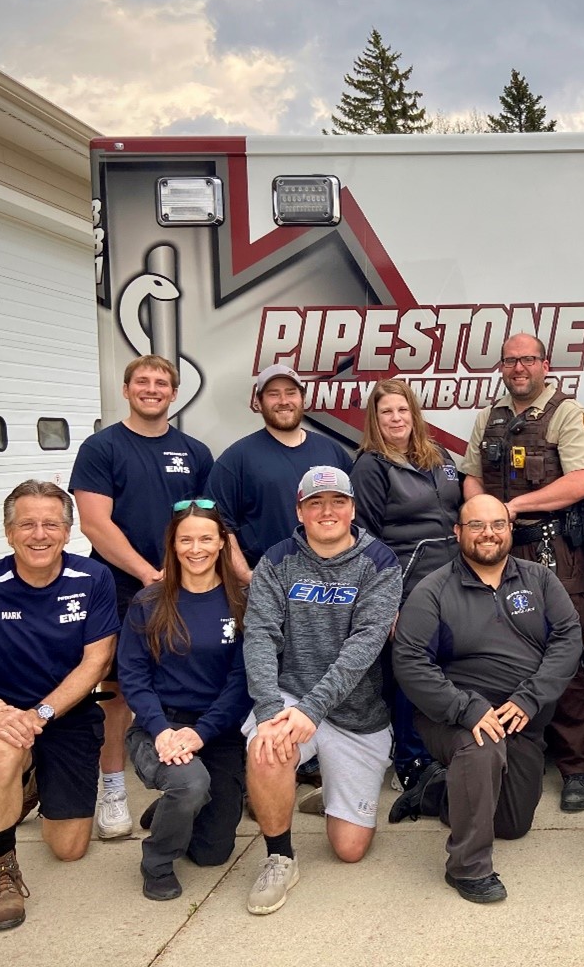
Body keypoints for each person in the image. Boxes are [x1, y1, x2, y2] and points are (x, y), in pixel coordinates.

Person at [0, 480, 118, 931]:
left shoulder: (93, 579)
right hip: (4, 715)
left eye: (51, 524)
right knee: (0, 754)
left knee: (69, 848)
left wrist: (42, 715)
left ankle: (28, 783)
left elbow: (97, 660)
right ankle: (1, 871)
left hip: (67, 716)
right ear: (9, 532)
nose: (40, 534)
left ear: (68, 530)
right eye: (27, 524)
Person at [392, 495, 584, 903]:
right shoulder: (433, 590)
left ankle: (436, 792)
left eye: (498, 524)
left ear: (510, 530)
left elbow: (568, 638)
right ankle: (467, 868)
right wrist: (467, 708)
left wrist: (531, 699)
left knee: (513, 824)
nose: (488, 534)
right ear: (457, 533)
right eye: (476, 525)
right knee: (481, 749)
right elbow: (409, 661)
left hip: (520, 717)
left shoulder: (539, 579)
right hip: (454, 716)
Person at [240, 466, 401, 915]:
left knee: (349, 849)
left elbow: (365, 644)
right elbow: (259, 636)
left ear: (352, 508)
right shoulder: (277, 560)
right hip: (292, 696)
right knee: (267, 747)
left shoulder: (380, 563)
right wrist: (272, 710)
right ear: (300, 510)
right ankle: (280, 857)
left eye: (337, 502)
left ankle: (329, 794)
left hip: (355, 711)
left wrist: (313, 708)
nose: (327, 511)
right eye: (316, 503)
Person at [70, 354, 214, 841]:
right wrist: (150, 574)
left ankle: (178, 777)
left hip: (184, 584)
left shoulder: (194, 452)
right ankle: (112, 788)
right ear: (127, 388)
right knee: (115, 694)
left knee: (177, 680)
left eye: (161, 383)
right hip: (121, 585)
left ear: (174, 394)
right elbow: (94, 522)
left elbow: (206, 522)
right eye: (142, 381)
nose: (152, 389)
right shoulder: (101, 447)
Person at [459, 333, 584, 812]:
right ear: (501, 367)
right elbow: (471, 473)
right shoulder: (489, 416)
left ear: (545, 365)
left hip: (551, 549)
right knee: (498, 649)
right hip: (494, 549)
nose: (519, 368)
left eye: (528, 360)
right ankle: (516, 754)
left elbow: (583, 481)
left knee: (565, 655)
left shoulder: (567, 413)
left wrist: (513, 506)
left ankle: (576, 769)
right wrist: (483, 513)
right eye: (510, 360)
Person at [116, 500, 251, 901]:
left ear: (223, 544)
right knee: (192, 783)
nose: (197, 549)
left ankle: (170, 812)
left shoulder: (241, 600)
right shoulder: (149, 603)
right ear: (173, 546)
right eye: (186, 539)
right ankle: (156, 860)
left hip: (218, 730)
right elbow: (134, 677)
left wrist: (202, 732)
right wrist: (161, 731)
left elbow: (241, 682)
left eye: (207, 539)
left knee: (213, 854)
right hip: (161, 727)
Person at [349, 378, 462, 810]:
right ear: (375, 421)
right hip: (406, 585)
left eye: (402, 410)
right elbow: (368, 539)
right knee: (410, 676)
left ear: (414, 414)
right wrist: (388, 604)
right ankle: (410, 763)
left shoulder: (440, 458)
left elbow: (455, 512)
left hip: (451, 581)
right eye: (386, 413)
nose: (396, 419)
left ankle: (444, 754)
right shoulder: (370, 466)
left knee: (447, 670)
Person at [207, 364, 352, 585]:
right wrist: (246, 576)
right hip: (269, 585)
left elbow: (354, 517)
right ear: (258, 401)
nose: (283, 401)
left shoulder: (332, 452)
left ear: (303, 398)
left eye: (291, 393)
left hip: (329, 584)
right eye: (273, 394)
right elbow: (218, 524)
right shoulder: (237, 458)